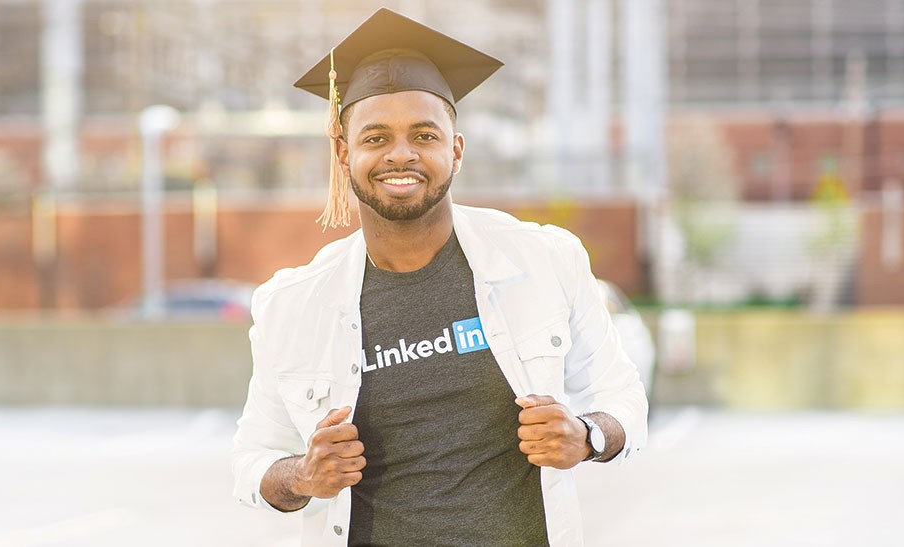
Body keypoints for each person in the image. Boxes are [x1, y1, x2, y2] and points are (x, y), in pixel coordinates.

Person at [232, 8, 648, 547]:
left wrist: (587, 436)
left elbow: (623, 396)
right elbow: (251, 460)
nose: (400, 154)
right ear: (343, 152)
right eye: (376, 137)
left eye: (424, 135)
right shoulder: (292, 304)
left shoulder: (545, 259)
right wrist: (304, 477)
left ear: (455, 148)